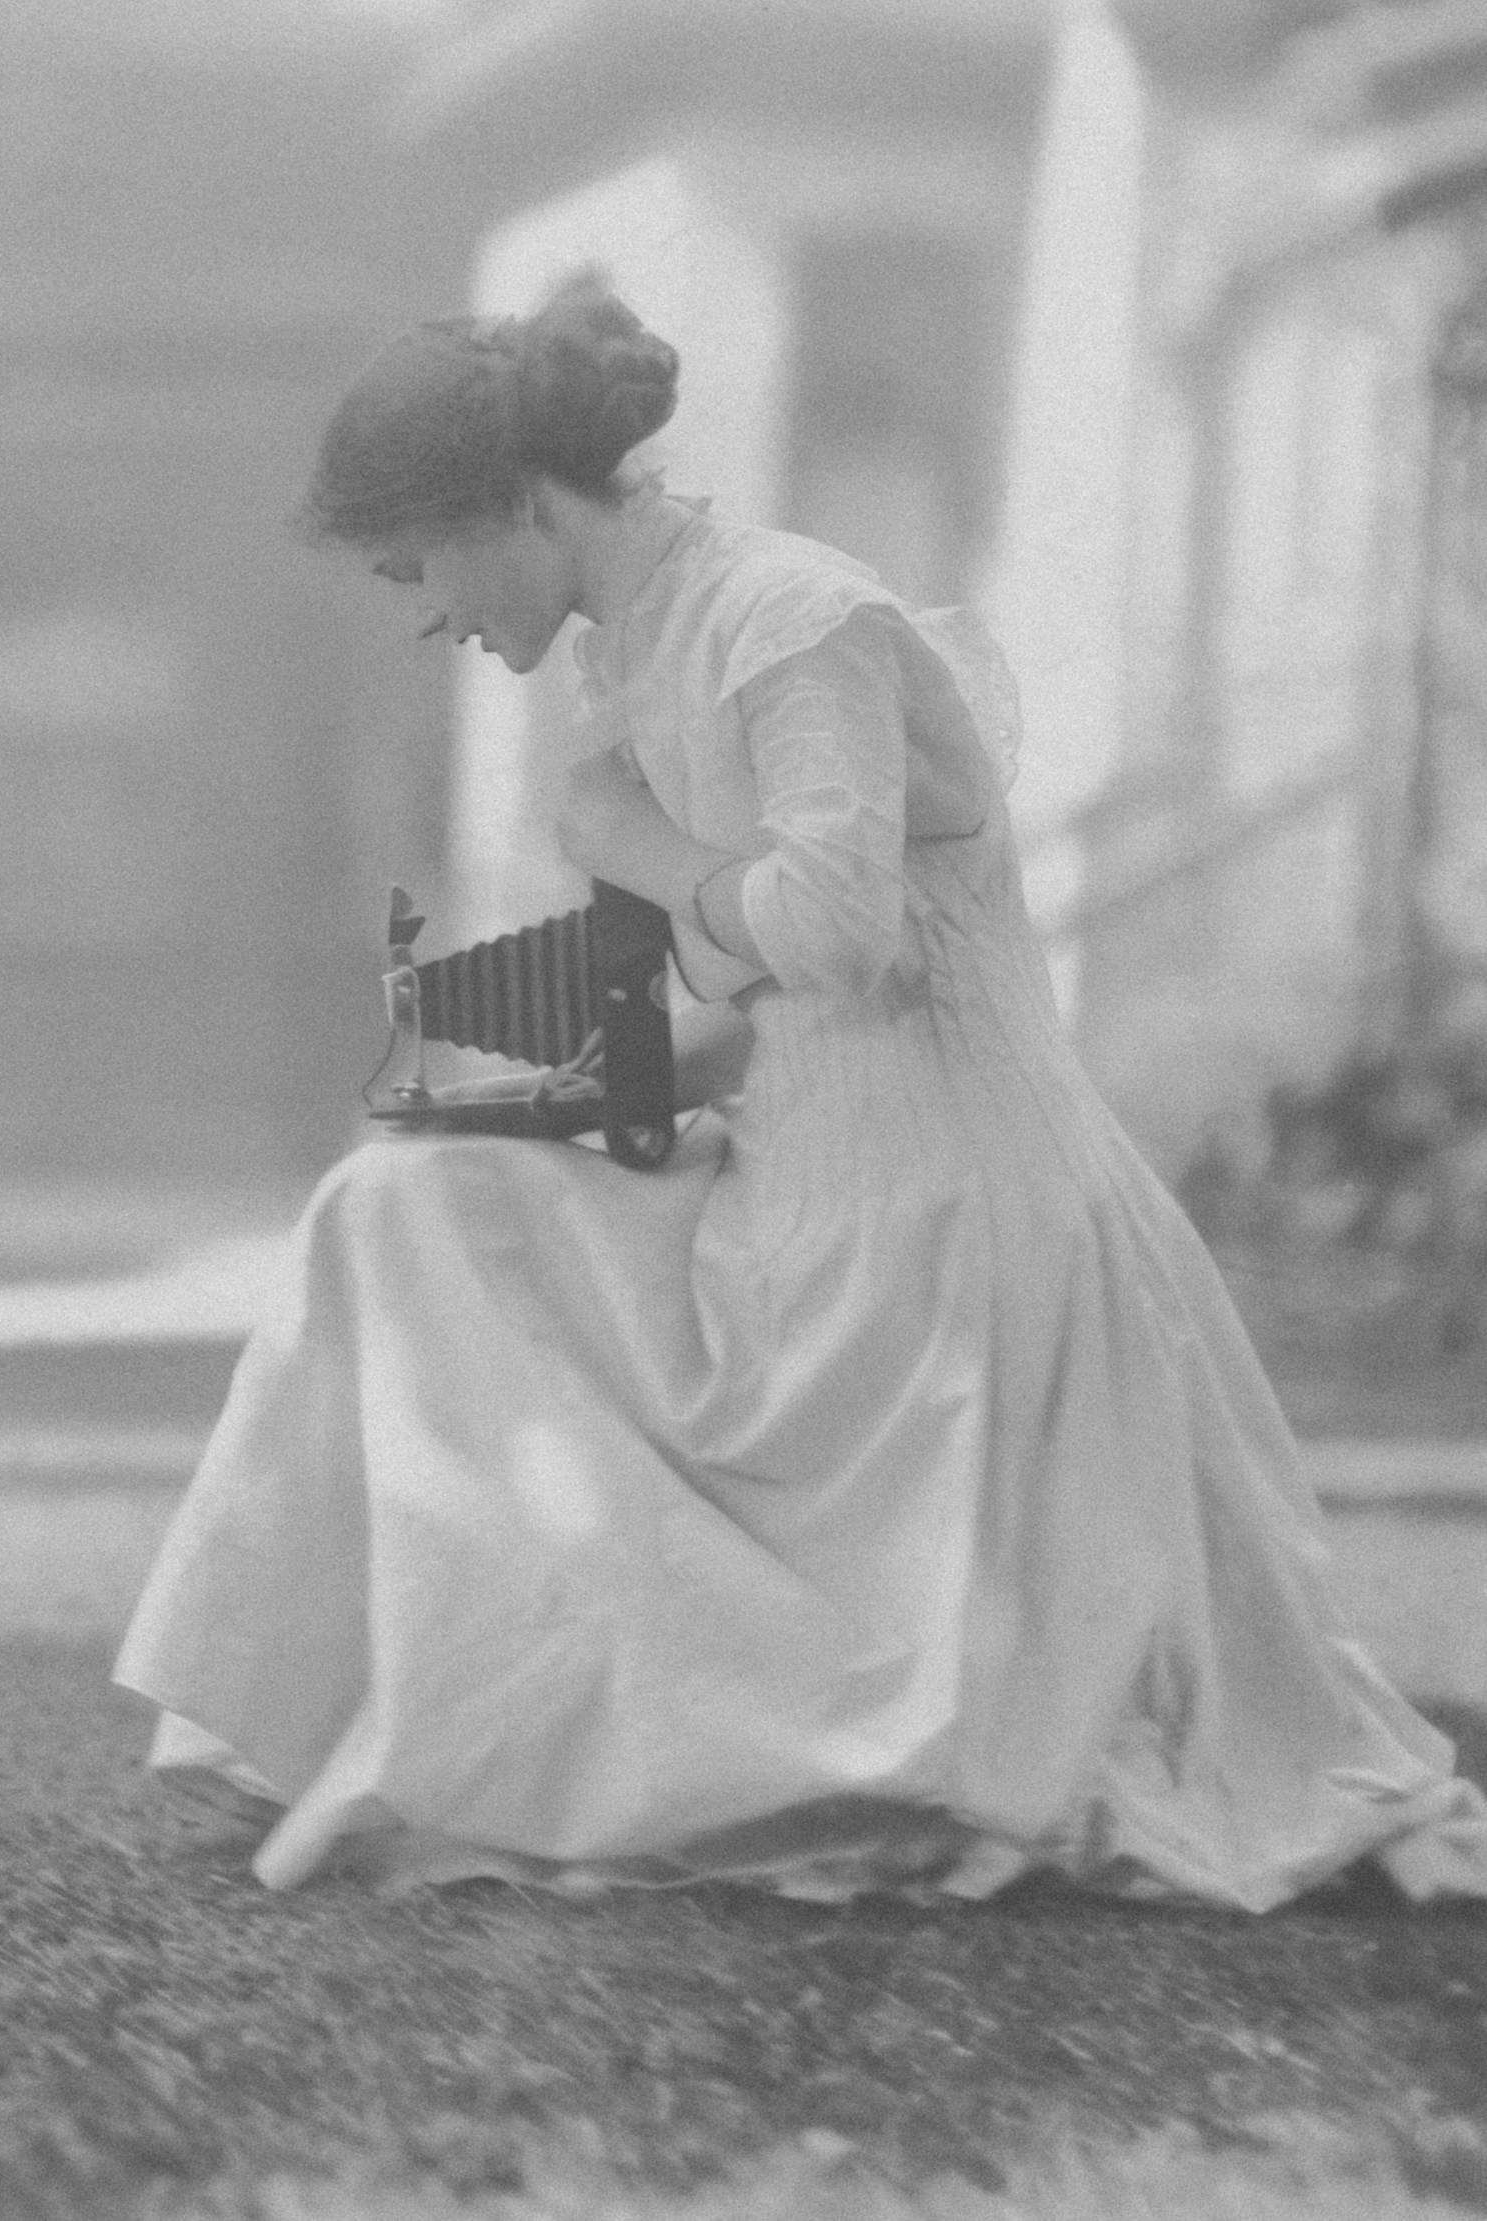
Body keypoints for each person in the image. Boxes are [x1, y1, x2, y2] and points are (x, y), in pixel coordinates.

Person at [112, 278, 1487, 1907]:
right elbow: (713, 1015)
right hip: (786, 1191)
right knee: (392, 1205)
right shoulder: (631, 662)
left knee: (440, 1217)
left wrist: (639, 852)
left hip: (944, 1235)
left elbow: (836, 932)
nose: (424, 614)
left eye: (414, 565)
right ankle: (350, 1710)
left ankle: (737, 1726)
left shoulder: (790, 616)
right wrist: (539, 1096)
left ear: (514, 507)